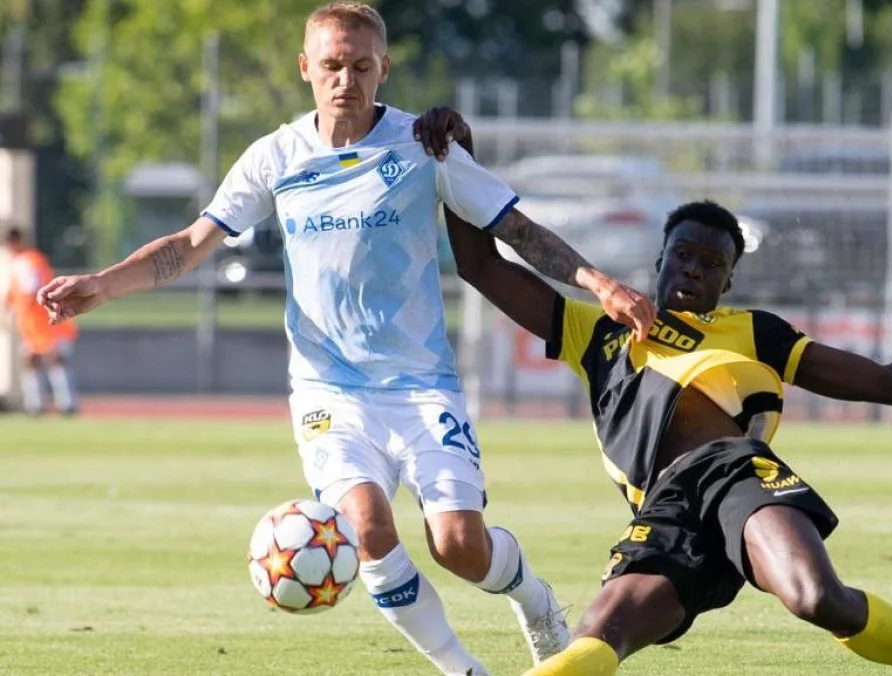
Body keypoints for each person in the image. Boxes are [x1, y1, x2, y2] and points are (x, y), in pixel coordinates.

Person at [35, 3, 657, 675]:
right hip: (329, 392)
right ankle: (464, 670)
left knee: (459, 546)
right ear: (306, 67)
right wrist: (103, 284)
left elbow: (516, 230)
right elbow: (190, 244)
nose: (346, 80)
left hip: (422, 386)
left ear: (383, 68)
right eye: (332, 65)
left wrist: (598, 282)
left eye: (361, 66)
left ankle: (534, 599)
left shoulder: (424, 146)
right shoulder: (275, 156)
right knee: (367, 527)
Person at [422, 114, 892, 673]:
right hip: (663, 505)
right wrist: (457, 157)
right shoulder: (599, 328)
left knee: (817, 598)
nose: (693, 268)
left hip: (736, 474)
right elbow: (481, 267)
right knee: (598, 634)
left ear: (729, 280)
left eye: (711, 263)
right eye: (683, 254)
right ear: (660, 259)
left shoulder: (755, 331)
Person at [4, 227, 79, 416]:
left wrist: (16, 312)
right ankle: (35, 405)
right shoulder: (19, 262)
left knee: (55, 359)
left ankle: (66, 403)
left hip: (43, 321)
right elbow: (13, 294)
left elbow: (30, 291)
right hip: (31, 323)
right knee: (32, 360)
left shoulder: (29, 261)